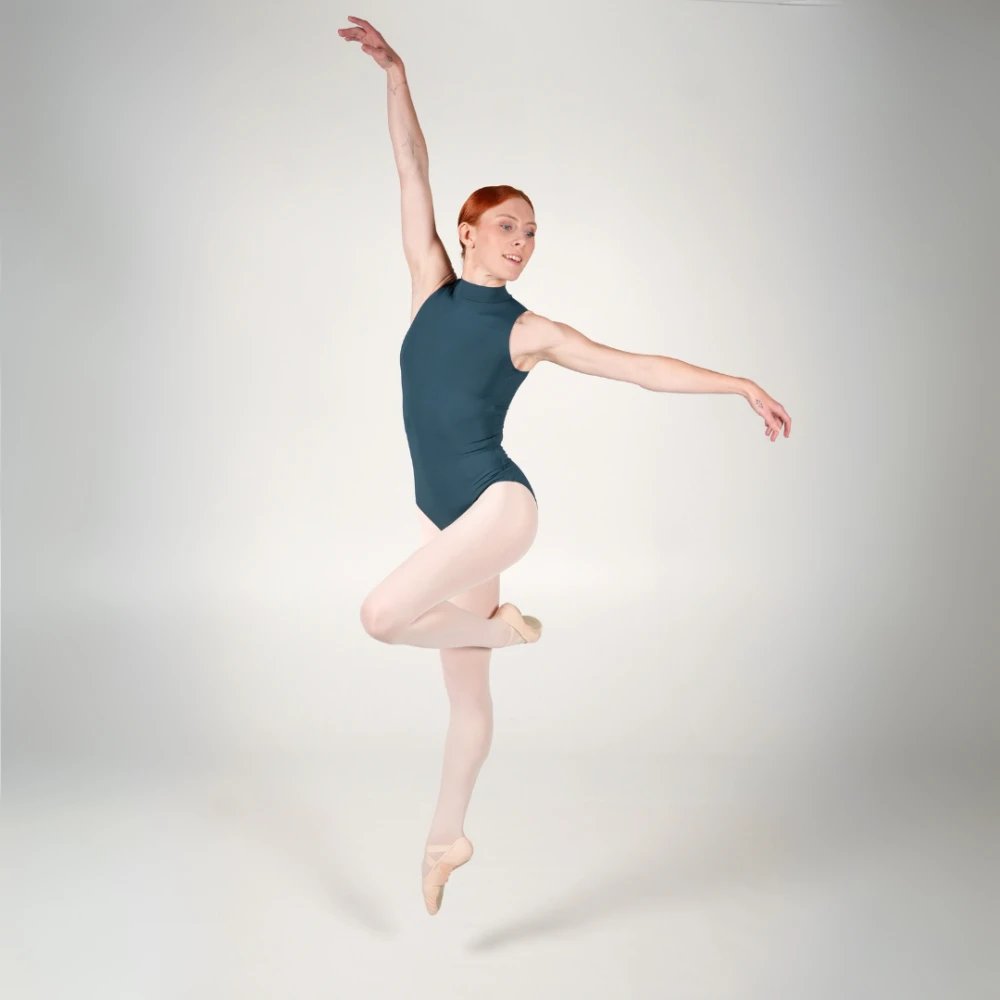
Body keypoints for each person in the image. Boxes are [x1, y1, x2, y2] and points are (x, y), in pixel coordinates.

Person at [338, 15, 792, 916]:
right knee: (466, 697)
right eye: (508, 226)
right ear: (467, 232)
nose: (522, 241)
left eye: (533, 233)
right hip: (446, 518)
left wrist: (737, 382)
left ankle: (505, 631)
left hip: (498, 507)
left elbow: (637, 368)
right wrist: (395, 74)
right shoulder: (429, 282)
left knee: (382, 617)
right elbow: (411, 167)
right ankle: (446, 838)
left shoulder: (529, 329)